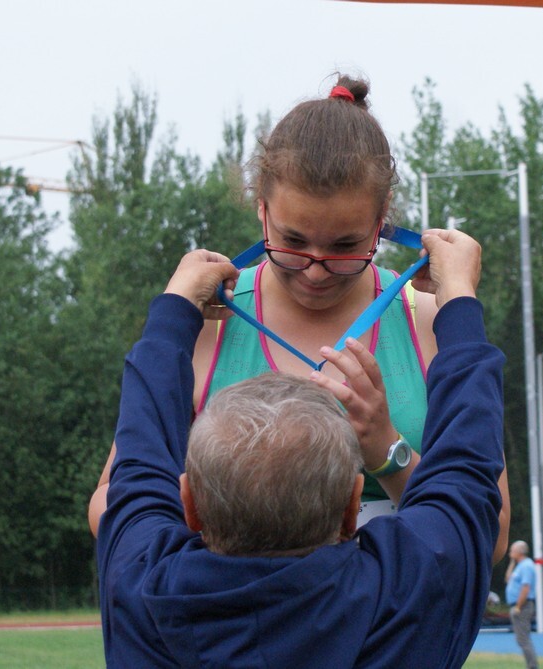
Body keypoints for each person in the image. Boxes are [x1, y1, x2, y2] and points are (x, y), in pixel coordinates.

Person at [89, 73, 509, 560]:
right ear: (262, 210)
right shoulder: (206, 319)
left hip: (387, 632)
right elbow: (107, 502)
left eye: (345, 246)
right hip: (230, 623)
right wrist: (223, 533)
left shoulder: (433, 322)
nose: (314, 270)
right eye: (292, 241)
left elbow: (493, 536)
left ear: (382, 219)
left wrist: (387, 451)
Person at [98, 229, 505, 667]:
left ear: (189, 503)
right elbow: (466, 476)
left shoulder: (143, 592)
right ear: (352, 507)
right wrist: (458, 295)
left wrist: (173, 312)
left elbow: (139, 461)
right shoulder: (410, 598)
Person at [505, 540, 539, 669]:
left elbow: (525, 588)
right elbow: (508, 579)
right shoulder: (519, 566)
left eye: (512, 550)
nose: (509, 553)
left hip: (523, 606)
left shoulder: (526, 566)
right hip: (517, 605)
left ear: (520, 552)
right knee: (521, 639)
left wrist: (518, 607)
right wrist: (512, 562)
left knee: (523, 639)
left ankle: (532, 666)